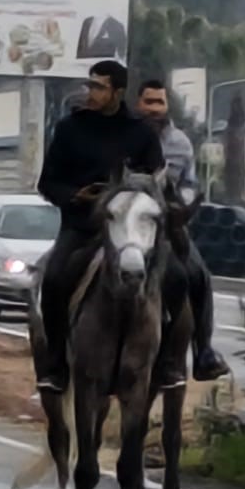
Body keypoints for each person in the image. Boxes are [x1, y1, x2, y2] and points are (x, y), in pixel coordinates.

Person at [32, 59, 165, 394]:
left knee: (181, 275)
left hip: (132, 233)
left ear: (118, 92)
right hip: (81, 228)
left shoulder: (142, 133)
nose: (90, 92)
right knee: (54, 279)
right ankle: (56, 365)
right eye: (89, 85)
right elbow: (47, 183)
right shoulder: (69, 128)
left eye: (98, 87)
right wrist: (75, 195)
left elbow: (157, 185)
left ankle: (175, 359)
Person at [136, 78, 229, 384]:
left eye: (158, 103)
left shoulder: (181, 143)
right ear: (138, 104)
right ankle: (60, 344)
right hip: (126, 223)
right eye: (148, 102)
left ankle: (203, 352)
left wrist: (184, 205)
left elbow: (190, 183)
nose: (153, 109)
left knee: (198, 274)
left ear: (166, 106)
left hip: (166, 224)